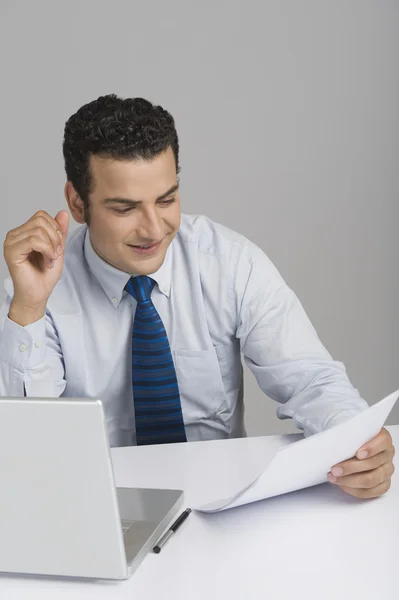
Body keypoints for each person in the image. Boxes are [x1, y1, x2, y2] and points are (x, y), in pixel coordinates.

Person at [0, 94, 394, 498]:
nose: (154, 229)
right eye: (125, 208)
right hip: (94, 503)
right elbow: (29, 449)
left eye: (167, 199)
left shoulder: (229, 262)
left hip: (219, 501)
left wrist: (356, 443)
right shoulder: (35, 286)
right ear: (77, 203)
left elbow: (311, 379)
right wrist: (28, 309)